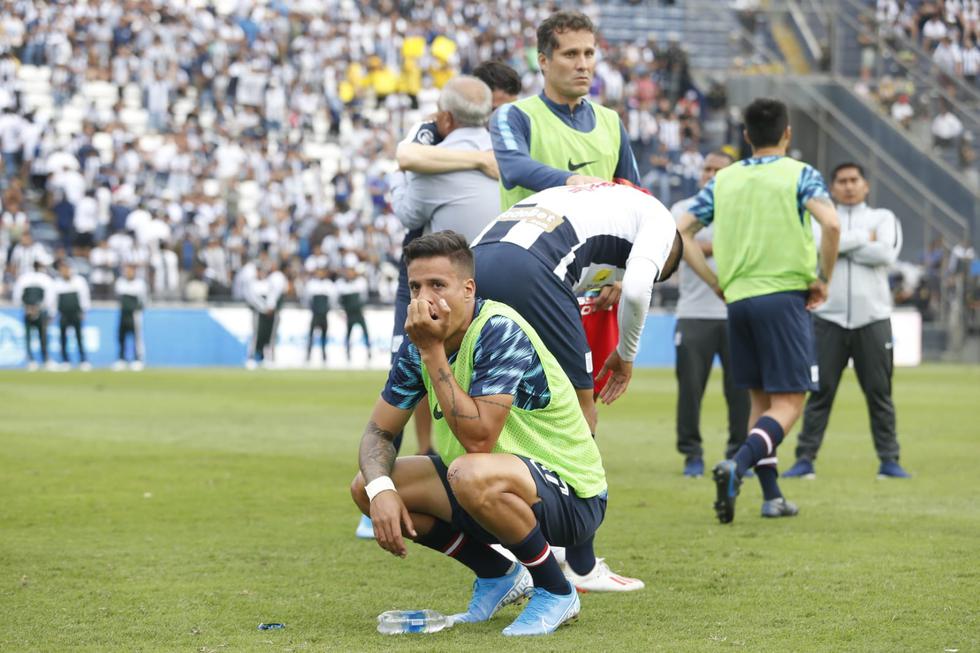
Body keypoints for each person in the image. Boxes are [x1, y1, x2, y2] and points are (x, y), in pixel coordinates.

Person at [350, 232, 606, 636]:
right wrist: (381, 490)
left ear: (468, 289)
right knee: (367, 486)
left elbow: (479, 440)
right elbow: (378, 433)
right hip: (486, 481)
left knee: (468, 472)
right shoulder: (419, 343)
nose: (424, 299)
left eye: (438, 285)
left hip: (572, 494)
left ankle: (557, 591)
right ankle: (497, 574)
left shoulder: (497, 329)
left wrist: (433, 352)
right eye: (416, 287)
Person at [472, 181, 682, 591]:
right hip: (533, 271)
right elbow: (638, 288)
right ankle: (581, 566)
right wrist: (626, 353)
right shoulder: (661, 219)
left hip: (478, 260)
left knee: (504, 411)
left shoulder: (599, 198)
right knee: (580, 418)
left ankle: (512, 554)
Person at [355, 63, 520, 539]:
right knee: (491, 388)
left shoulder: (429, 158)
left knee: (413, 371)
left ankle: (408, 471)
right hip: (491, 288)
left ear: (444, 117)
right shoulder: (506, 152)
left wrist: (404, 169)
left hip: (436, 281)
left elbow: (405, 207)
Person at [677, 97, 841, 524]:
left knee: (760, 401)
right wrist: (823, 276)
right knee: (789, 403)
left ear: (746, 136)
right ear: (788, 132)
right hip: (785, 296)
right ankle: (738, 464)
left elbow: (682, 230)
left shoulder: (724, 180)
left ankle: (772, 498)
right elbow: (832, 224)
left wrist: (715, 283)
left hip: (739, 301)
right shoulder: (800, 174)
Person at [784, 163, 909, 480]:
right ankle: (805, 460)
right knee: (819, 393)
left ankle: (889, 460)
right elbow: (812, 250)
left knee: (880, 393)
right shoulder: (818, 217)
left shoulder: (883, 218)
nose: (849, 186)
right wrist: (860, 239)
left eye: (855, 180)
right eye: (842, 181)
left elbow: (886, 254)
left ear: (865, 185)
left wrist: (837, 244)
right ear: (832, 187)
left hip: (873, 318)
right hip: (828, 318)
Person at [670, 150, 750, 478]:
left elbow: (691, 244)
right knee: (690, 389)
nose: (709, 173)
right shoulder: (683, 208)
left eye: (718, 169)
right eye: (706, 167)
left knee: (740, 390)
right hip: (694, 312)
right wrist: (719, 246)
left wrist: (697, 244)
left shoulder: (743, 208)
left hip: (736, 312)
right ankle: (692, 454)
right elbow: (676, 246)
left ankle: (739, 453)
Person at [390, 75, 500, 243]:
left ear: (447, 118)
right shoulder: (506, 152)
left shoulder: (430, 165)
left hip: (460, 265)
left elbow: (409, 217)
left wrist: (397, 175)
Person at [12, 261, 54, 370]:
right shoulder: (27, 278)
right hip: (31, 311)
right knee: (31, 336)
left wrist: (37, 308)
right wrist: (27, 307)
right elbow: (18, 295)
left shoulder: (31, 278)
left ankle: (42, 359)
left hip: (38, 311)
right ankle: (34, 360)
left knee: (41, 336)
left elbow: (17, 295)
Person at [53, 259, 92, 370]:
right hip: (63, 314)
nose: (64, 271)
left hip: (76, 313)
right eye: (62, 269)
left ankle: (83, 360)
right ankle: (65, 360)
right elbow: (54, 300)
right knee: (63, 338)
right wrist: (53, 313)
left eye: (66, 268)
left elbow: (85, 297)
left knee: (79, 337)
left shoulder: (79, 281)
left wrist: (84, 311)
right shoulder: (57, 283)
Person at [243, 265, 282, 369]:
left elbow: (273, 296)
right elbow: (253, 299)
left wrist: (270, 307)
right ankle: (251, 358)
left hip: (270, 313)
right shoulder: (252, 284)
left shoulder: (270, 284)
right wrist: (264, 308)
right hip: (259, 313)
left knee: (270, 336)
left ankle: (268, 358)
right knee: (257, 335)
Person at [114, 263, 148, 371]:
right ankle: (122, 358)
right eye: (126, 270)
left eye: (130, 270)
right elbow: (118, 298)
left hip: (135, 314)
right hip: (123, 313)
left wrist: (139, 310)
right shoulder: (120, 283)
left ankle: (138, 359)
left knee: (136, 337)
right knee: (121, 336)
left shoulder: (140, 284)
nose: (128, 273)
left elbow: (144, 299)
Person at [302, 266, 336, 365]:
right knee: (311, 334)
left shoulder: (329, 285)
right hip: (315, 314)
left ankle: (324, 355)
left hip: (324, 314)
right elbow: (306, 299)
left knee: (324, 335)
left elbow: (333, 300)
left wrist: (328, 309)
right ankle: (308, 354)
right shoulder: (311, 284)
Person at [337, 266, 371, 364]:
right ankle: (347, 354)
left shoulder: (360, 282)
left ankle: (369, 352)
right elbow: (340, 301)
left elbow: (364, 297)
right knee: (348, 334)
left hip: (358, 313)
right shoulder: (341, 284)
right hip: (350, 314)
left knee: (365, 333)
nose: (349, 273)